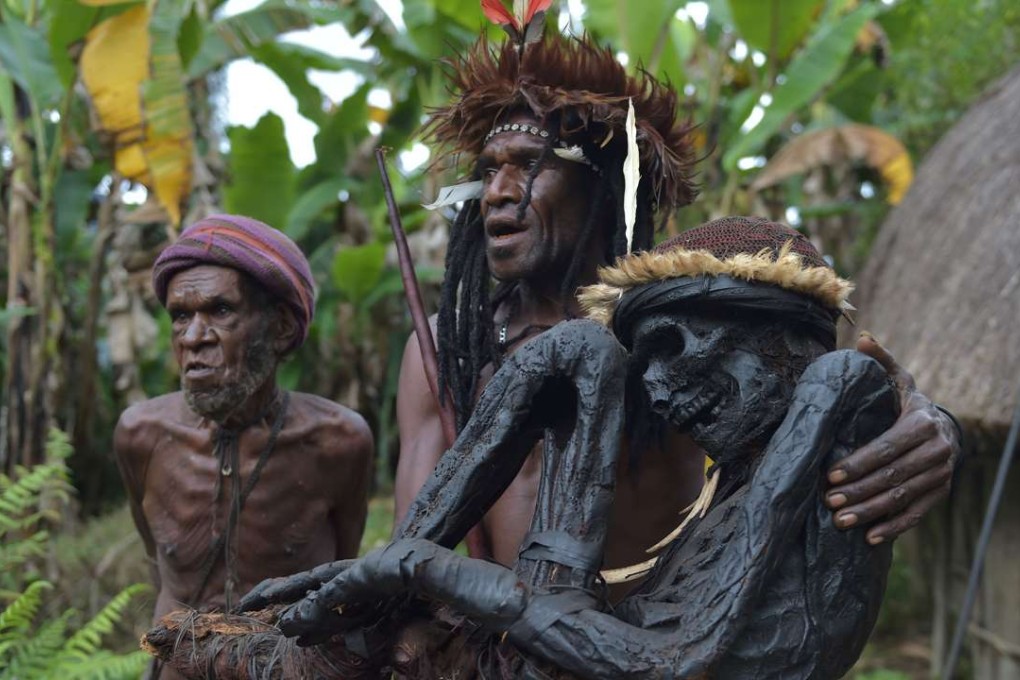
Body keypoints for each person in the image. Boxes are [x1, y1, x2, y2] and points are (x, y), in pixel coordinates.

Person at [178, 217, 908, 679]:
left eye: (673, 347)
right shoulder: (748, 464)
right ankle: (367, 605)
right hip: (573, 640)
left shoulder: (837, 386)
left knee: (412, 604)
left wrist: (434, 570)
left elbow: (678, 663)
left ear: (772, 334)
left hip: (619, 663)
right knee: (579, 350)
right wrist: (387, 572)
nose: (654, 387)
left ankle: (371, 603)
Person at [395, 12, 959, 579]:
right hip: (491, 655)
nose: (497, 192)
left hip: (648, 648)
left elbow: (829, 395)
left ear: (607, 184)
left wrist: (927, 422)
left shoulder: (676, 331)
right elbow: (408, 550)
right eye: (488, 171)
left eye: (527, 165)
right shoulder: (447, 350)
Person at [114, 214, 372, 678]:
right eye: (180, 316)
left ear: (280, 329)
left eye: (220, 311)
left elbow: (341, 575)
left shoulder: (337, 443)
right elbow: (159, 562)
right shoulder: (141, 436)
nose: (193, 338)